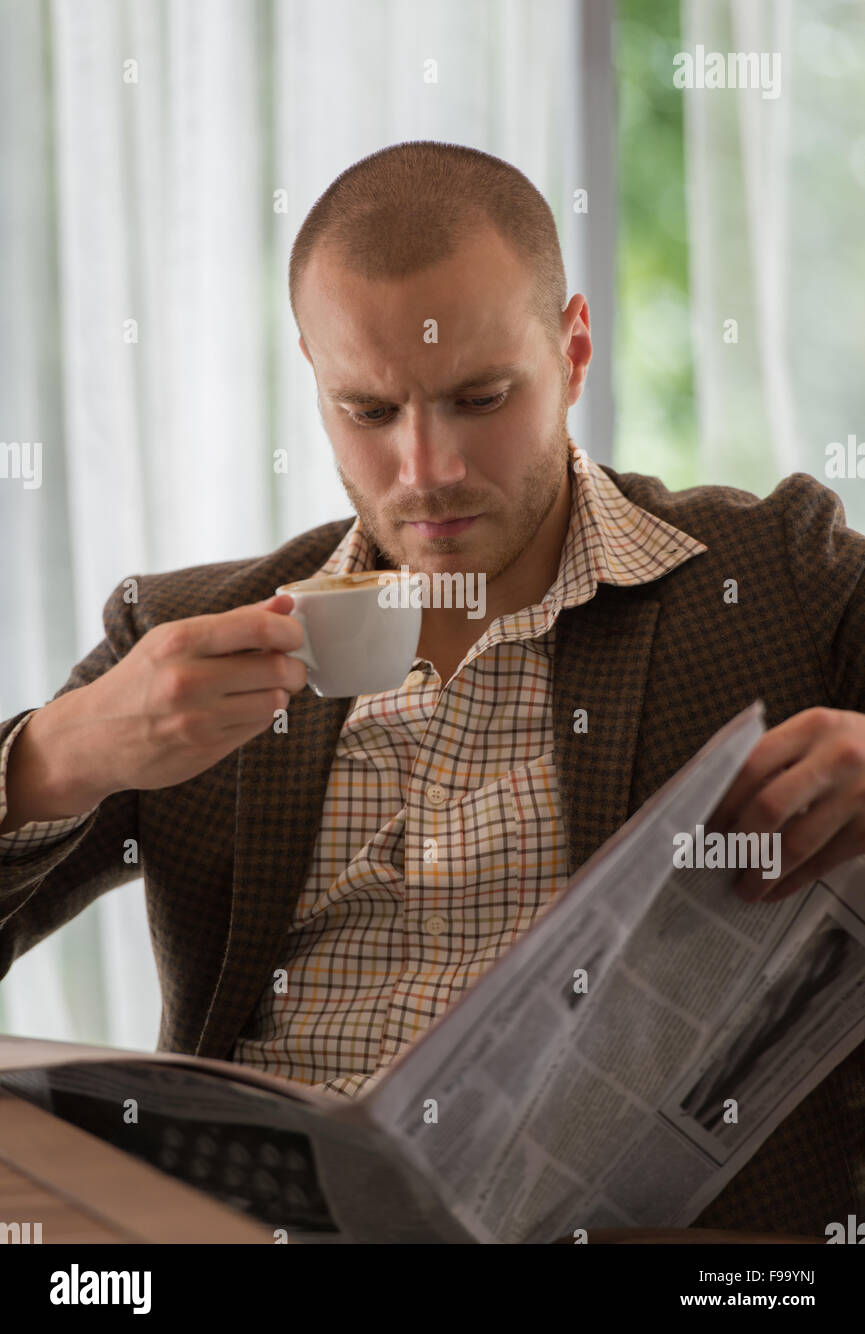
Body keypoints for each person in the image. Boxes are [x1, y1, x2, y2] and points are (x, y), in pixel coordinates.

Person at [2, 141, 864, 1239]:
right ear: (312, 377)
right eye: (367, 412)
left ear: (575, 347)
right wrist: (54, 756)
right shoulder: (182, 633)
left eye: (479, 397)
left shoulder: (775, 575)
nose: (426, 469)